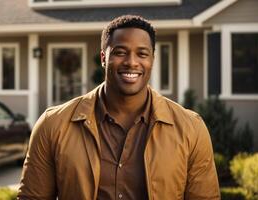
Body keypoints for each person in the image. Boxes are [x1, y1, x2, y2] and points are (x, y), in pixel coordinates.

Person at [18, 15, 220, 200]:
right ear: (104, 58)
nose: (132, 62)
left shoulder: (191, 129)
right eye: (120, 52)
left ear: (152, 60)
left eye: (142, 54)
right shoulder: (53, 125)